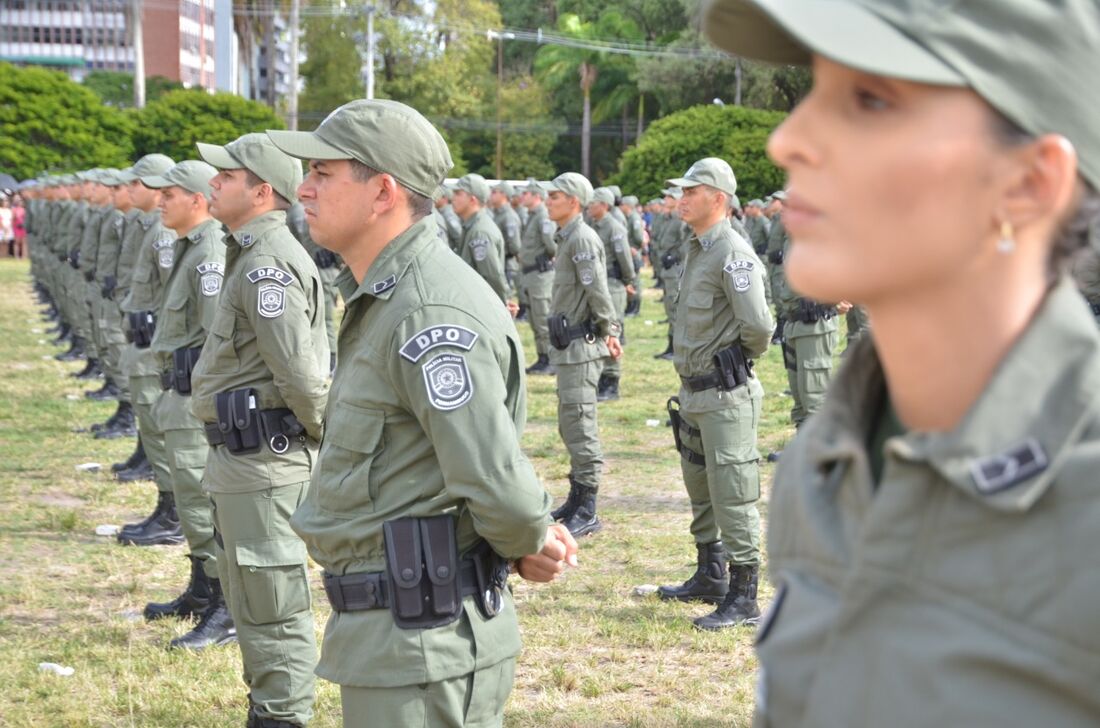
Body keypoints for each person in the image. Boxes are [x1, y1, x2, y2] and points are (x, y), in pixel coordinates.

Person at [703, 0, 1100, 724]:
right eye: (814, 91)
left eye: (872, 100)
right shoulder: (823, 467)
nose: (790, 139)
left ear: (1029, 182)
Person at [267, 98, 577, 727]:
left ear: (382, 192)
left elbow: (494, 479)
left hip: (423, 642)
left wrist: (527, 536)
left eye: (323, 174)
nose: (302, 188)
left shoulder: (426, 312)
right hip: (400, 639)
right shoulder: (389, 296)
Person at [191, 133, 328, 728]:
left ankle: (282, 717)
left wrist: (325, 440)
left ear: (261, 190)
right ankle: (268, 709)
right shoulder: (248, 253)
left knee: (274, 608)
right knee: (252, 599)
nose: (213, 183)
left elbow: (301, 375)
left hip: (264, 462)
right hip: (243, 460)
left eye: (226, 176)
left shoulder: (267, 264)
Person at [657, 158, 772, 630]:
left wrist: (734, 358)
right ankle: (711, 573)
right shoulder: (697, 248)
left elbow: (760, 327)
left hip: (726, 396)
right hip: (695, 395)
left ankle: (744, 595)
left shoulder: (731, 252)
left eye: (691, 191)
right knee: (702, 490)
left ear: (718, 199)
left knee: (733, 493)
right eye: (680, 192)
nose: (680, 199)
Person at [137, 161, 231, 653]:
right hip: (178, 394)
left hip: (196, 399)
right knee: (192, 502)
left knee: (201, 501)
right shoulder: (189, 248)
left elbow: (218, 335)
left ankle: (225, 602)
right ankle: (201, 587)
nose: (160, 202)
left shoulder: (209, 252)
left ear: (196, 200)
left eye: (169, 195)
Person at [542, 172, 622, 537]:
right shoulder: (568, 237)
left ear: (573, 202)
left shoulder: (582, 239)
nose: (548, 201)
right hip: (568, 348)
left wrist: (611, 331)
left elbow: (598, 291)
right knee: (569, 424)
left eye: (555, 196)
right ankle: (576, 497)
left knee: (581, 424)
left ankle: (588, 507)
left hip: (581, 349)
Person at [588, 187, 634, 401]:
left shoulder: (614, 227)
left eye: (593, 203)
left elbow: (624, 257)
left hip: (613, 284)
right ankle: (602, 376)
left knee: (612, 329)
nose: (589, 206)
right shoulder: (593, 225)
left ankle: (612, 380)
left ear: (604, 205)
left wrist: (629, 281)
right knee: (598, 329)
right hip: (599, 284)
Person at [518, 179, 557, 374]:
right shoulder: (532, 216)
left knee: (542, 320)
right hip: (530, 275)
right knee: (534, 320)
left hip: (540, 276)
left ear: (536, 196)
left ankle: (550, 359)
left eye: (526, 194)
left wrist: (546, 257)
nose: (522, 197)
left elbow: (552, 245)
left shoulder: (542, 217)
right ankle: (542, 357)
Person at [452, 173, 509, 304]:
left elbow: (492, 276)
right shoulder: (471, 226)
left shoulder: (480, 232)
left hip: (480, 303)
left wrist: (501, 306)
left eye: (458, 194)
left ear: (472, 200)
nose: (452, 198)